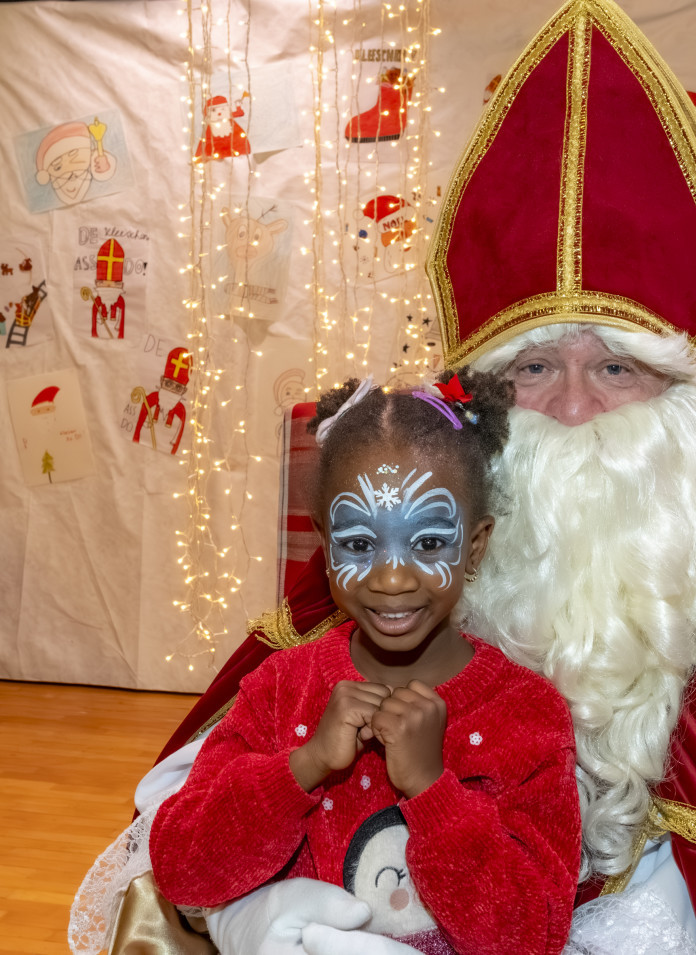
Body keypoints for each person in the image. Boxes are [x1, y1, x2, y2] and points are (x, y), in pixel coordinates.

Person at [72, 1, 696, 953]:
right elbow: (192, 811)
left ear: (682, 397)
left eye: (616, 368)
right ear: (481, 395)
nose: (573, 408)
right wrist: (251, 916)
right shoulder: (396, 555)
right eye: (534, 368)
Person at [147, 371, 581, 955]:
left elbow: (533, 937)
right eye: (357, 544)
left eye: (429, 543)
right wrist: (303, 765)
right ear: (324, 544)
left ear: (475, 545)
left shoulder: (525, 714)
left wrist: (432, 790)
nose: (392, 580)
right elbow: (184, 873)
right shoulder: (280, 690)